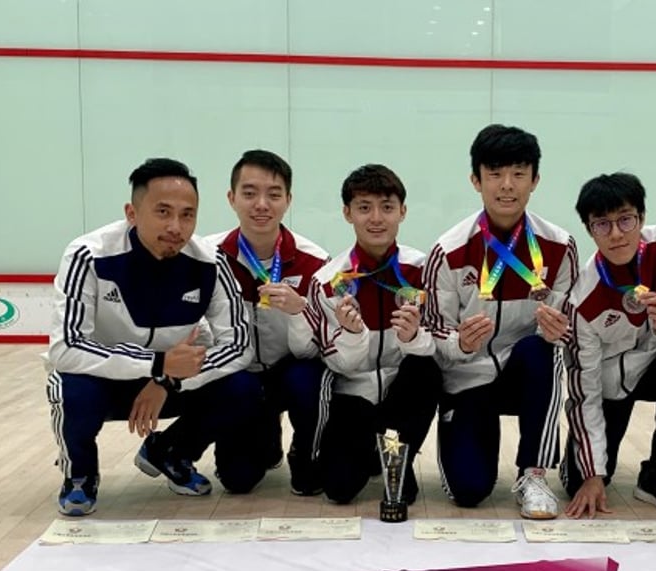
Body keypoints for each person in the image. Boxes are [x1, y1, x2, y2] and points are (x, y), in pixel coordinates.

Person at [46, 158, 257, 516]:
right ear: (132, 212)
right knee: (69, 388)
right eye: (163, 212)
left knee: (243, 389)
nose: (176, 226)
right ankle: (80, 474)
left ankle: (172, 452)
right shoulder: (88, 255)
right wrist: (155, 362)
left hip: (172, 382)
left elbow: (239, 346)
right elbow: (65, 348)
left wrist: (166, 379)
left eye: (187, 214)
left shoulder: (211, 262)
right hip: (105, 382)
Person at [424, 124, 578, 519]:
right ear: (476, 180)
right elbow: (432, 329)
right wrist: (460, 343)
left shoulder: (560, 246)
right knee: (468, 491)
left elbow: (571, 321)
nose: (506, 185)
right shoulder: (449, 250)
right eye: (494, 174)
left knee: (542, 348)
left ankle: (534, 473)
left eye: (518, 174)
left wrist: (560, 331)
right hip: (467, 376)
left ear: (535, 180)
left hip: (524, 374)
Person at [562, 172, 656, 519]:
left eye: (625, 219)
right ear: (590, 230)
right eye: (602, 224)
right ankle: (579, 462)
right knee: (579, 483)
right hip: (609, 388)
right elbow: (584, 390)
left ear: (642, 218)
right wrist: (592, 473)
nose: (616, 234)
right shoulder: (582, 299)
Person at [310, 164, 441, 504]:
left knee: (425, 369)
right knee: (339, 490)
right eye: (364, 207)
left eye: (386, 207)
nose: (376, 218)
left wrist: (413, 338)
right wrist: (354, 335)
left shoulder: (423, 270)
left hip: (404, 393)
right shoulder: (327, 281)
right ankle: (372, 449)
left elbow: (439, 341)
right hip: (354, 395)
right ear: (347, 213)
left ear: (403, 212)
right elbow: (337, 363)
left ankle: (400, 458)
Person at [204, 149, 329, 495]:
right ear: (231, 198)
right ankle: (264, 431)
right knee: (238, 481)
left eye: (274, 194)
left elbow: (323, 341)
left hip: (290, 371)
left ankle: (305, 454)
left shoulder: (314, 261)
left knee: (310, 377)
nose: (262, 204)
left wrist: (299, 310)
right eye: (249, 193)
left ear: (288, 200)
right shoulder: (206, 257)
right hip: (237, 377)